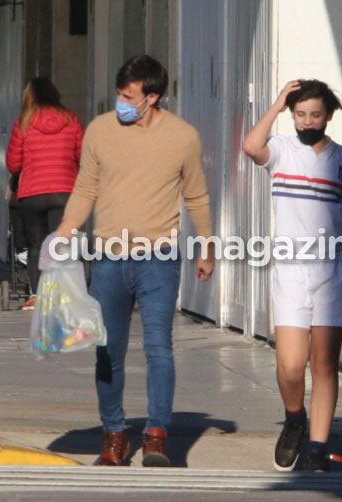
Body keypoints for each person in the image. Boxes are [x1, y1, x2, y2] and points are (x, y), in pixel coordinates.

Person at [56, 54, 214, 467]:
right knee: (108, 351)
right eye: (119, 93)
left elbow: (196, 195)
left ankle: (157, 435)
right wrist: (66, 229)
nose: (120, 102)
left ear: (153, 97)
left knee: (159, 348)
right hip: (107, 258)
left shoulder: (183, 137)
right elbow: (86, 187)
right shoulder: (99, 131)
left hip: (158, 258)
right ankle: (114, 435)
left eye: (128, 96)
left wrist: (207, 247)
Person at [243, 79, 342, 471]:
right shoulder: (282, 151)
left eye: (316, 114)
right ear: (292, 114)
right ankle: (295, 420)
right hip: (291, 273)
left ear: (329, 116)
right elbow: (250, 147)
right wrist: (274, 106)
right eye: (300, 113)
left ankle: (317, 447)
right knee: (290, 365)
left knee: (323, 363)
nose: (307, 121)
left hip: (334, 272)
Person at [6, 77, 83, 310]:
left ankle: (39, 296)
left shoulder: (24, 123)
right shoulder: (72, 120)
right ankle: (64, 296)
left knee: (37, 245)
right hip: (64, 191)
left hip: (32, 194)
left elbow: (13, 164)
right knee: (61, 246)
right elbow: (83, 156)